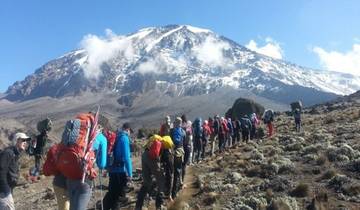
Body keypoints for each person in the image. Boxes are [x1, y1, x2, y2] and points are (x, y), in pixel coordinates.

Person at [66, 124, 107, 210]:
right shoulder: (101, 138)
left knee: (72, 206)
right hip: (86, 175)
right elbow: (102, 164)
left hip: (70, 175)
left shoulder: (77, 135)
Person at [102, 123, 133, 210]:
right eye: (130, 131)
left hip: (112, 170)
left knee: (112, 193)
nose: (130, 134)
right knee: (119, 197)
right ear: (128, 130)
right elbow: (127, 158)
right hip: (120, 171)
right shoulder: (124, 138)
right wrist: (130, 174)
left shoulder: (116, 137)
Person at [0, 132, 30, 210]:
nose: (25, 142)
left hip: (7, 189)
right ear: (17, 141)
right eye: (23, 140)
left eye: (26, 141)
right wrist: (5, 189)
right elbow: (1, 171)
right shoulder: (8, 153)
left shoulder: (14, 154)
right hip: (3, 191)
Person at [135, 135, 166, 210]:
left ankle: (138, 206)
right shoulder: (163, 143)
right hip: (151, 157)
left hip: (145, 154)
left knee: (147, 182)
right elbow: (157, 156)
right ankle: (159, 205)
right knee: (161, 180)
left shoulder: (153, 139)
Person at [171, 117, 185, 199]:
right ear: (181, 123)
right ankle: (175, 192)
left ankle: (172, 192)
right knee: (178, 170)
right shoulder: (183, 131)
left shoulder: (172, 131)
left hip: (173, 152)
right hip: (180, 152)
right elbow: (185, 142)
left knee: (174, 171)